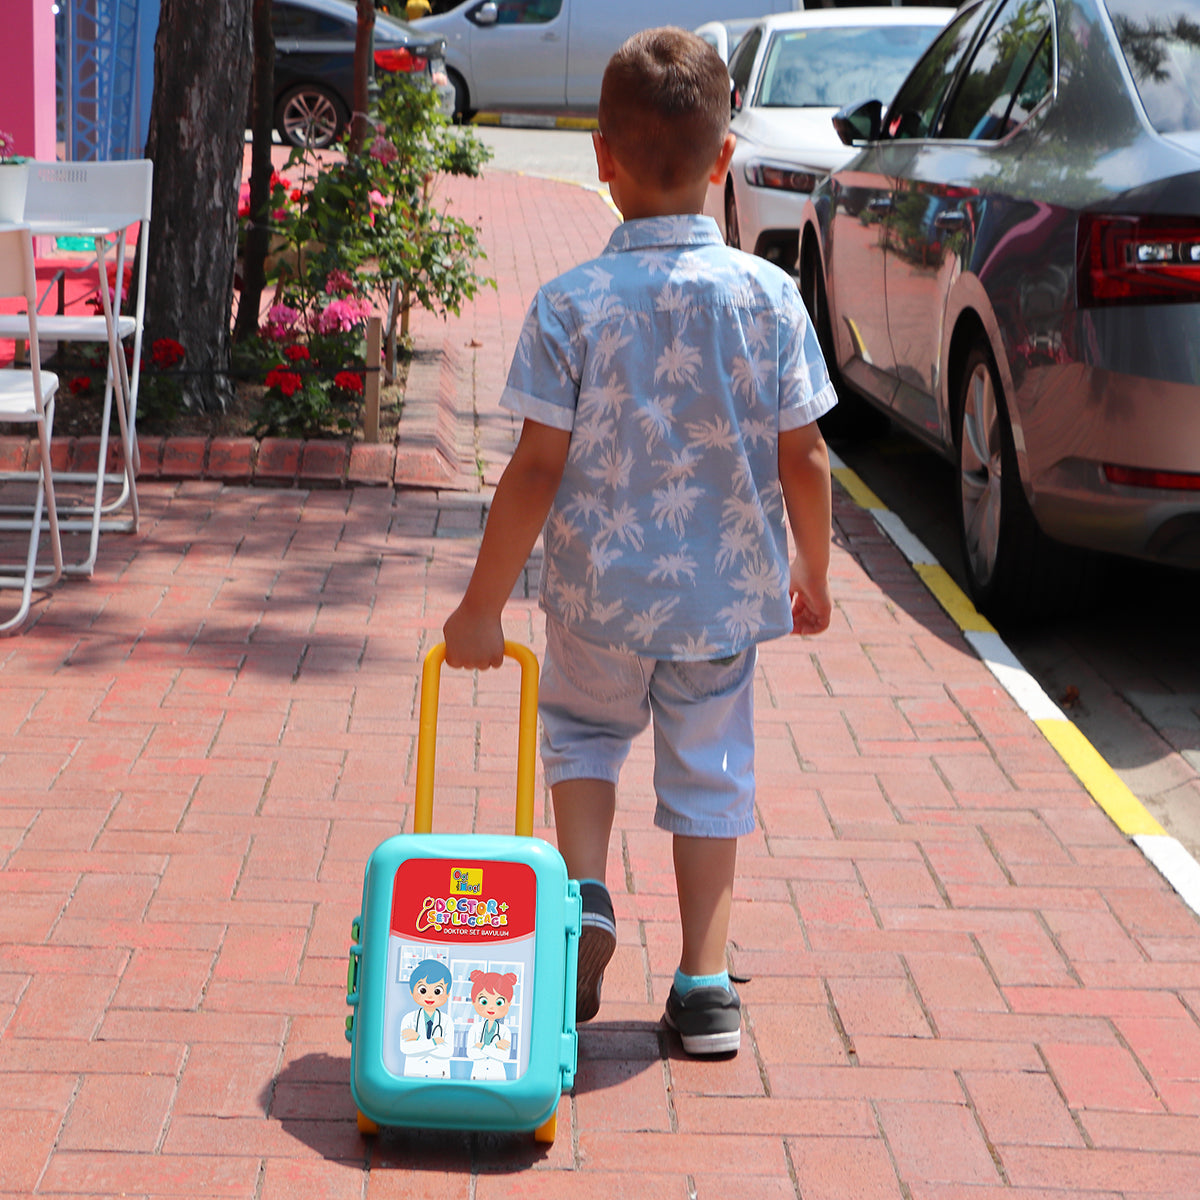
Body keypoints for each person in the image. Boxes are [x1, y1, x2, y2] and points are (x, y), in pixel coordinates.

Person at [442, 26, 836, 1057]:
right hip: (720, 601)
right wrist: (813, 569)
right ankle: (705, 985)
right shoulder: (772, 299)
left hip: (595, 593)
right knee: (710, 770)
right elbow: (806, 457)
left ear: (601, 155)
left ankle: (582, 901)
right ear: (723, 160)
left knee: (580, 732)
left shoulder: (570, 305)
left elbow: (534, 468)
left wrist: (483, 602)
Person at [397, 959, 455, 1077]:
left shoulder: (447, 1021)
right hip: (414, 1074)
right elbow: (406, 1048)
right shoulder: (408, 1019)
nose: (429, 995)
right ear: (412, 992)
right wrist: (434, 1042)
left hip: (439, 1074)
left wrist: (418, 1040)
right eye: (422, 990)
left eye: (437, 991)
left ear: (447, 994)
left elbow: (447, 1051)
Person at [465, 970, 517, 1080]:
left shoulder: (505, 1031)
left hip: (497, 1075)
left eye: (499, 1002)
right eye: (484, 1001)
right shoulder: (475, 1029)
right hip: (477, 1074)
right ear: (474, 1002)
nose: (491, 1007)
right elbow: (471, 1053)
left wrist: (482, 1047)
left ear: (509, 1004)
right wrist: (495, 1048)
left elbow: (504, 1056)